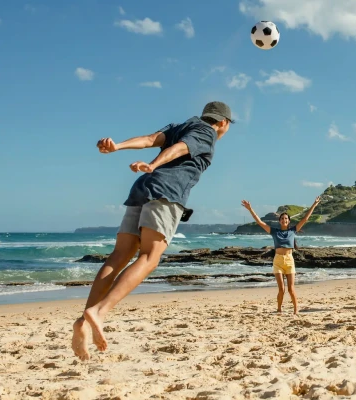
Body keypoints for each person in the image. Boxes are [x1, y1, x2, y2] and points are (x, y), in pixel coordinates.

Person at [72, 101, 234, 360]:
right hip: (166, 192)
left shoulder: (182, 125)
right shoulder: (208, 133)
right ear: (224, 123)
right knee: (149, 258)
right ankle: (99, 313)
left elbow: (149, 139)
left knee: (119, 255)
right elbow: (180, 149)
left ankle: (83, 320)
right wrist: (155, 164)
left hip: (142, 188)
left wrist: (118, 147)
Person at [241, 198, 321, 315]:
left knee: (291, 289)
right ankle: (279, 309)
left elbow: (305, 219)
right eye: (282, 218)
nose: (284, 220)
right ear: (280, 221)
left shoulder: (293, 231)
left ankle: (295, 310)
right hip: (278, 261)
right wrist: (250, 209)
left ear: (289, 221)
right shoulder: (274, 231)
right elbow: (260, 222)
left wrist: (314, 204)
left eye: (286, 219)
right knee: (281, 289)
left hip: (289, 261)